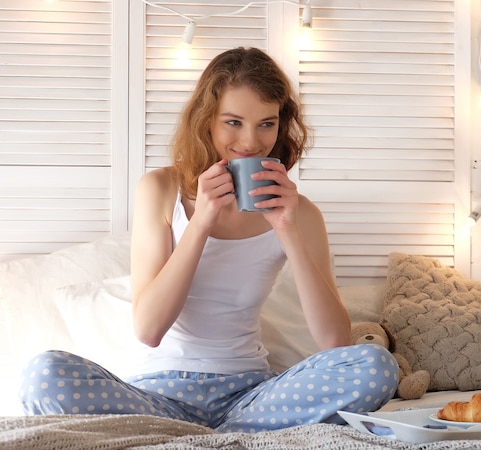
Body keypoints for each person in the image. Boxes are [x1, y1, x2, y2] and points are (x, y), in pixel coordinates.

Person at [19, 47, 399, 433]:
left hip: (250, 395)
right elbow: (148, 329)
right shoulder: (161, 189)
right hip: (157, 397)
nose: (251, 142)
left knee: (376, 366)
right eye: (233, 122)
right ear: (206, 120)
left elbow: (336, 342)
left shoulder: (300, 212)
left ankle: (202, 436)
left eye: (267, 124)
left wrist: (287, 229)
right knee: (43, 375)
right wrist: (200, 222)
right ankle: (223, 435)